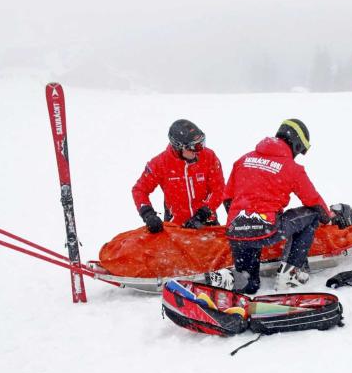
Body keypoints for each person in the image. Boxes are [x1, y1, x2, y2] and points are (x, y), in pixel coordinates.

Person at [223, 118, 333, 294]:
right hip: (267, 228)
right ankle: (289, 274)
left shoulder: (243, 159)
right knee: (312, 215)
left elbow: (227, 199)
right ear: (296, 144)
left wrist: (245, 227)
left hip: (236, 231)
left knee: (249, 285)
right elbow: (313, 202)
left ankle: (233, 278)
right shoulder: (292, 168)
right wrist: (328, 218)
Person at [132, 119, 225, 233]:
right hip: (175, 228)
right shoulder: (160, 163)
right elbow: (139, 190)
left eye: (201, 144)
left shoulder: (209, 157)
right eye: (193, 147)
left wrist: (203, 213)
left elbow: (219, 188)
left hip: (206, 222)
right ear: (178, 147)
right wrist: (148, 214)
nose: (198, 150)